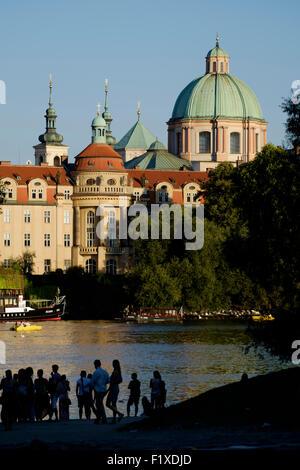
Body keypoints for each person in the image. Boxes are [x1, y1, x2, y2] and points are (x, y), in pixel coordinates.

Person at [92, 360, 110, 424]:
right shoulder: (105, 372)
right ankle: (99, 418)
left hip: (98, 390)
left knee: (99, 404)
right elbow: (108, 381)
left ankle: (103, 418)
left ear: (95, 365)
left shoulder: (96, 372)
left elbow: (92, 382)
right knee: (99, 403)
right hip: (104, 390)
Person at [106, 360, 124, 424]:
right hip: (116, 388)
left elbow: (112, 382)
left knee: (107, 403)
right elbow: (120, 380)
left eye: (113, 363)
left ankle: (119, 414)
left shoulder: (115, 372)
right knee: (114, 403)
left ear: (115, 364)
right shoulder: (118, 371)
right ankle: (114, 419)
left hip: (113, 388)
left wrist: (108, 390)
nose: (112, 364)